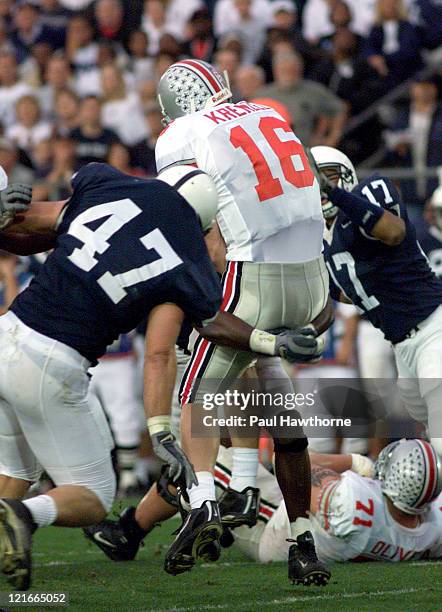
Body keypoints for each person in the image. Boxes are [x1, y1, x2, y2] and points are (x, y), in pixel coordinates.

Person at [0, 162, 322, 591]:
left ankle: (19, 515)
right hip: (52, 362)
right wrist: (271, 342)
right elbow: (172, 345)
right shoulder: (182, 253)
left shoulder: (108, 185)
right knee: (95, 495)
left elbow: (42, 227)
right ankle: (24, 516)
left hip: (8, 330)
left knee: (16, 470)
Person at [155, 58, 331, 585]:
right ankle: (304, 544)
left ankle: (206, 499)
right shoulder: (269, 113)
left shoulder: (183, 133)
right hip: (313, 280)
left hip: (254, 276)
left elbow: (181, 210)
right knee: (288, 431)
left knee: (200, 394)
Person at [311, 145, 442, 456]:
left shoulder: (370, 191)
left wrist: (336, 193)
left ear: (344, 177)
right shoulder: (323, 239)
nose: (319, 190)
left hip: (433, 329)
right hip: (402, 345)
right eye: (312, 183)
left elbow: (394, 232)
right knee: (422, 432)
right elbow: (347, 293)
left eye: (326, 180)